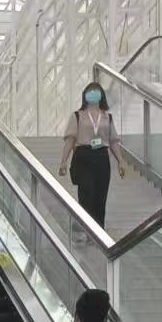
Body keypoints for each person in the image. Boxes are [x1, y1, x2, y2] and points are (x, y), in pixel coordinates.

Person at [58, 81, 124, 228]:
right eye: (90, 91)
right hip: (83, 156)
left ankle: (99, 230)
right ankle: (87, 229)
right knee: (86, 195)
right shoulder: (78, 116)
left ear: (101, 96)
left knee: (100, 196)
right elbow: (70, 139)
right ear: (85, 95)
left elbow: (113, 141)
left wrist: (120, 161)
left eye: (96, 91)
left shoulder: (107, 117)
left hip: (101, 157)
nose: (93, 94)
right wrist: (63, 161)